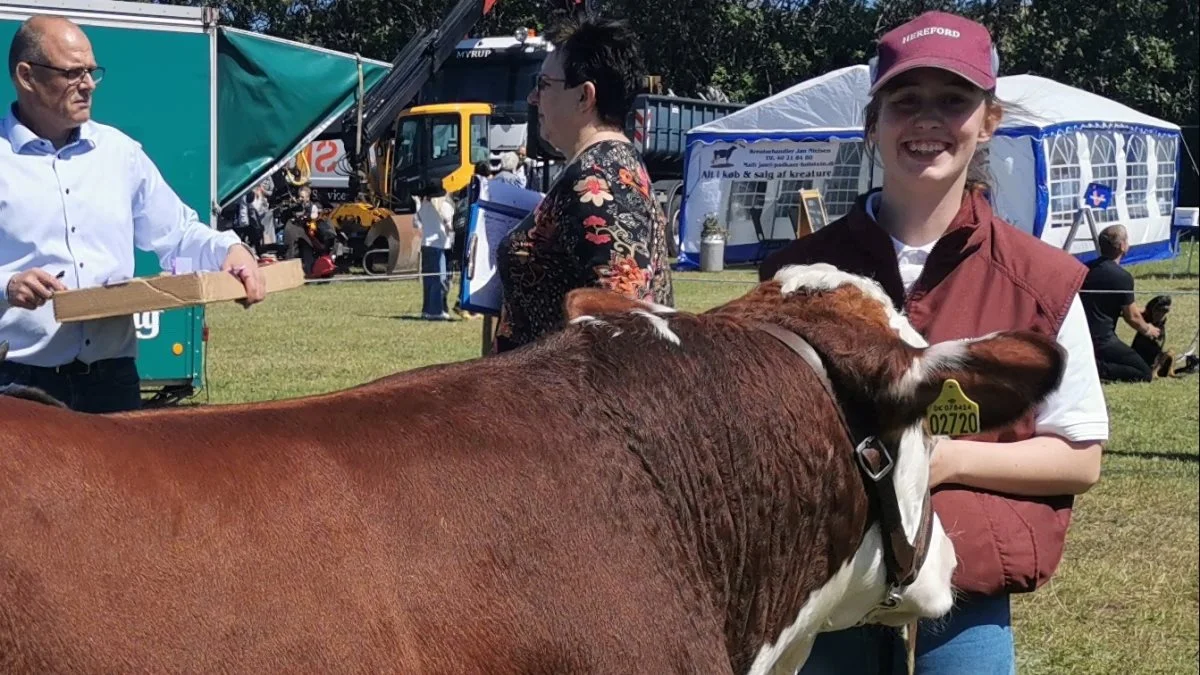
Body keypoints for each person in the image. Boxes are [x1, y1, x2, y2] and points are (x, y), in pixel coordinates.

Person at [759, 11, 1107, 673]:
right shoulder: (799, 275)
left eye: (953, 101)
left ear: (988, 121)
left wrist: (938, 458)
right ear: (873, 122)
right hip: (828, 586)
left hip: (964, 590)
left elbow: (1079, 457)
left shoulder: (1040, 281)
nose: (927, 121)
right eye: (905, 100)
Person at [0, 15, 264, 414]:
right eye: (72, 73)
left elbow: (177, 234)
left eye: (91, 71)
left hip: (112, 379)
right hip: (19, 383)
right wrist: (7, 284)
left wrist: (230, 250)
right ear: (26, 76)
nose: (88, 84)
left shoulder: (120, 154)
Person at [494, 15, 674, 353]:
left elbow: (623, 325)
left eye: (543, 83)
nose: (533, 98)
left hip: (563, 400)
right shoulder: (606, 166)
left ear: (584, 96)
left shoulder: (599, 177)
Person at [1080, 224, 1160, 382]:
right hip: (1103, 340)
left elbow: (1111, 303)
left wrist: (1142, 310)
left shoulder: (1084, 269)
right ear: (1122, 246)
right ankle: (1098, 369)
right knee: (1143, 373)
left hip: (1082, 336)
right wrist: (1148, 329)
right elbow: (1132, 317)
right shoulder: (1122, 277)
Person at [416, 182, 455, 321]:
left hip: (426, 244)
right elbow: (450, 223)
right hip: (439, 245)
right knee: (440, 279)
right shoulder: (444, 206)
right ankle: (436, 310)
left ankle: (427, 309)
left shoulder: (424, 206)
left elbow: (415, 223)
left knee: (429, 279)